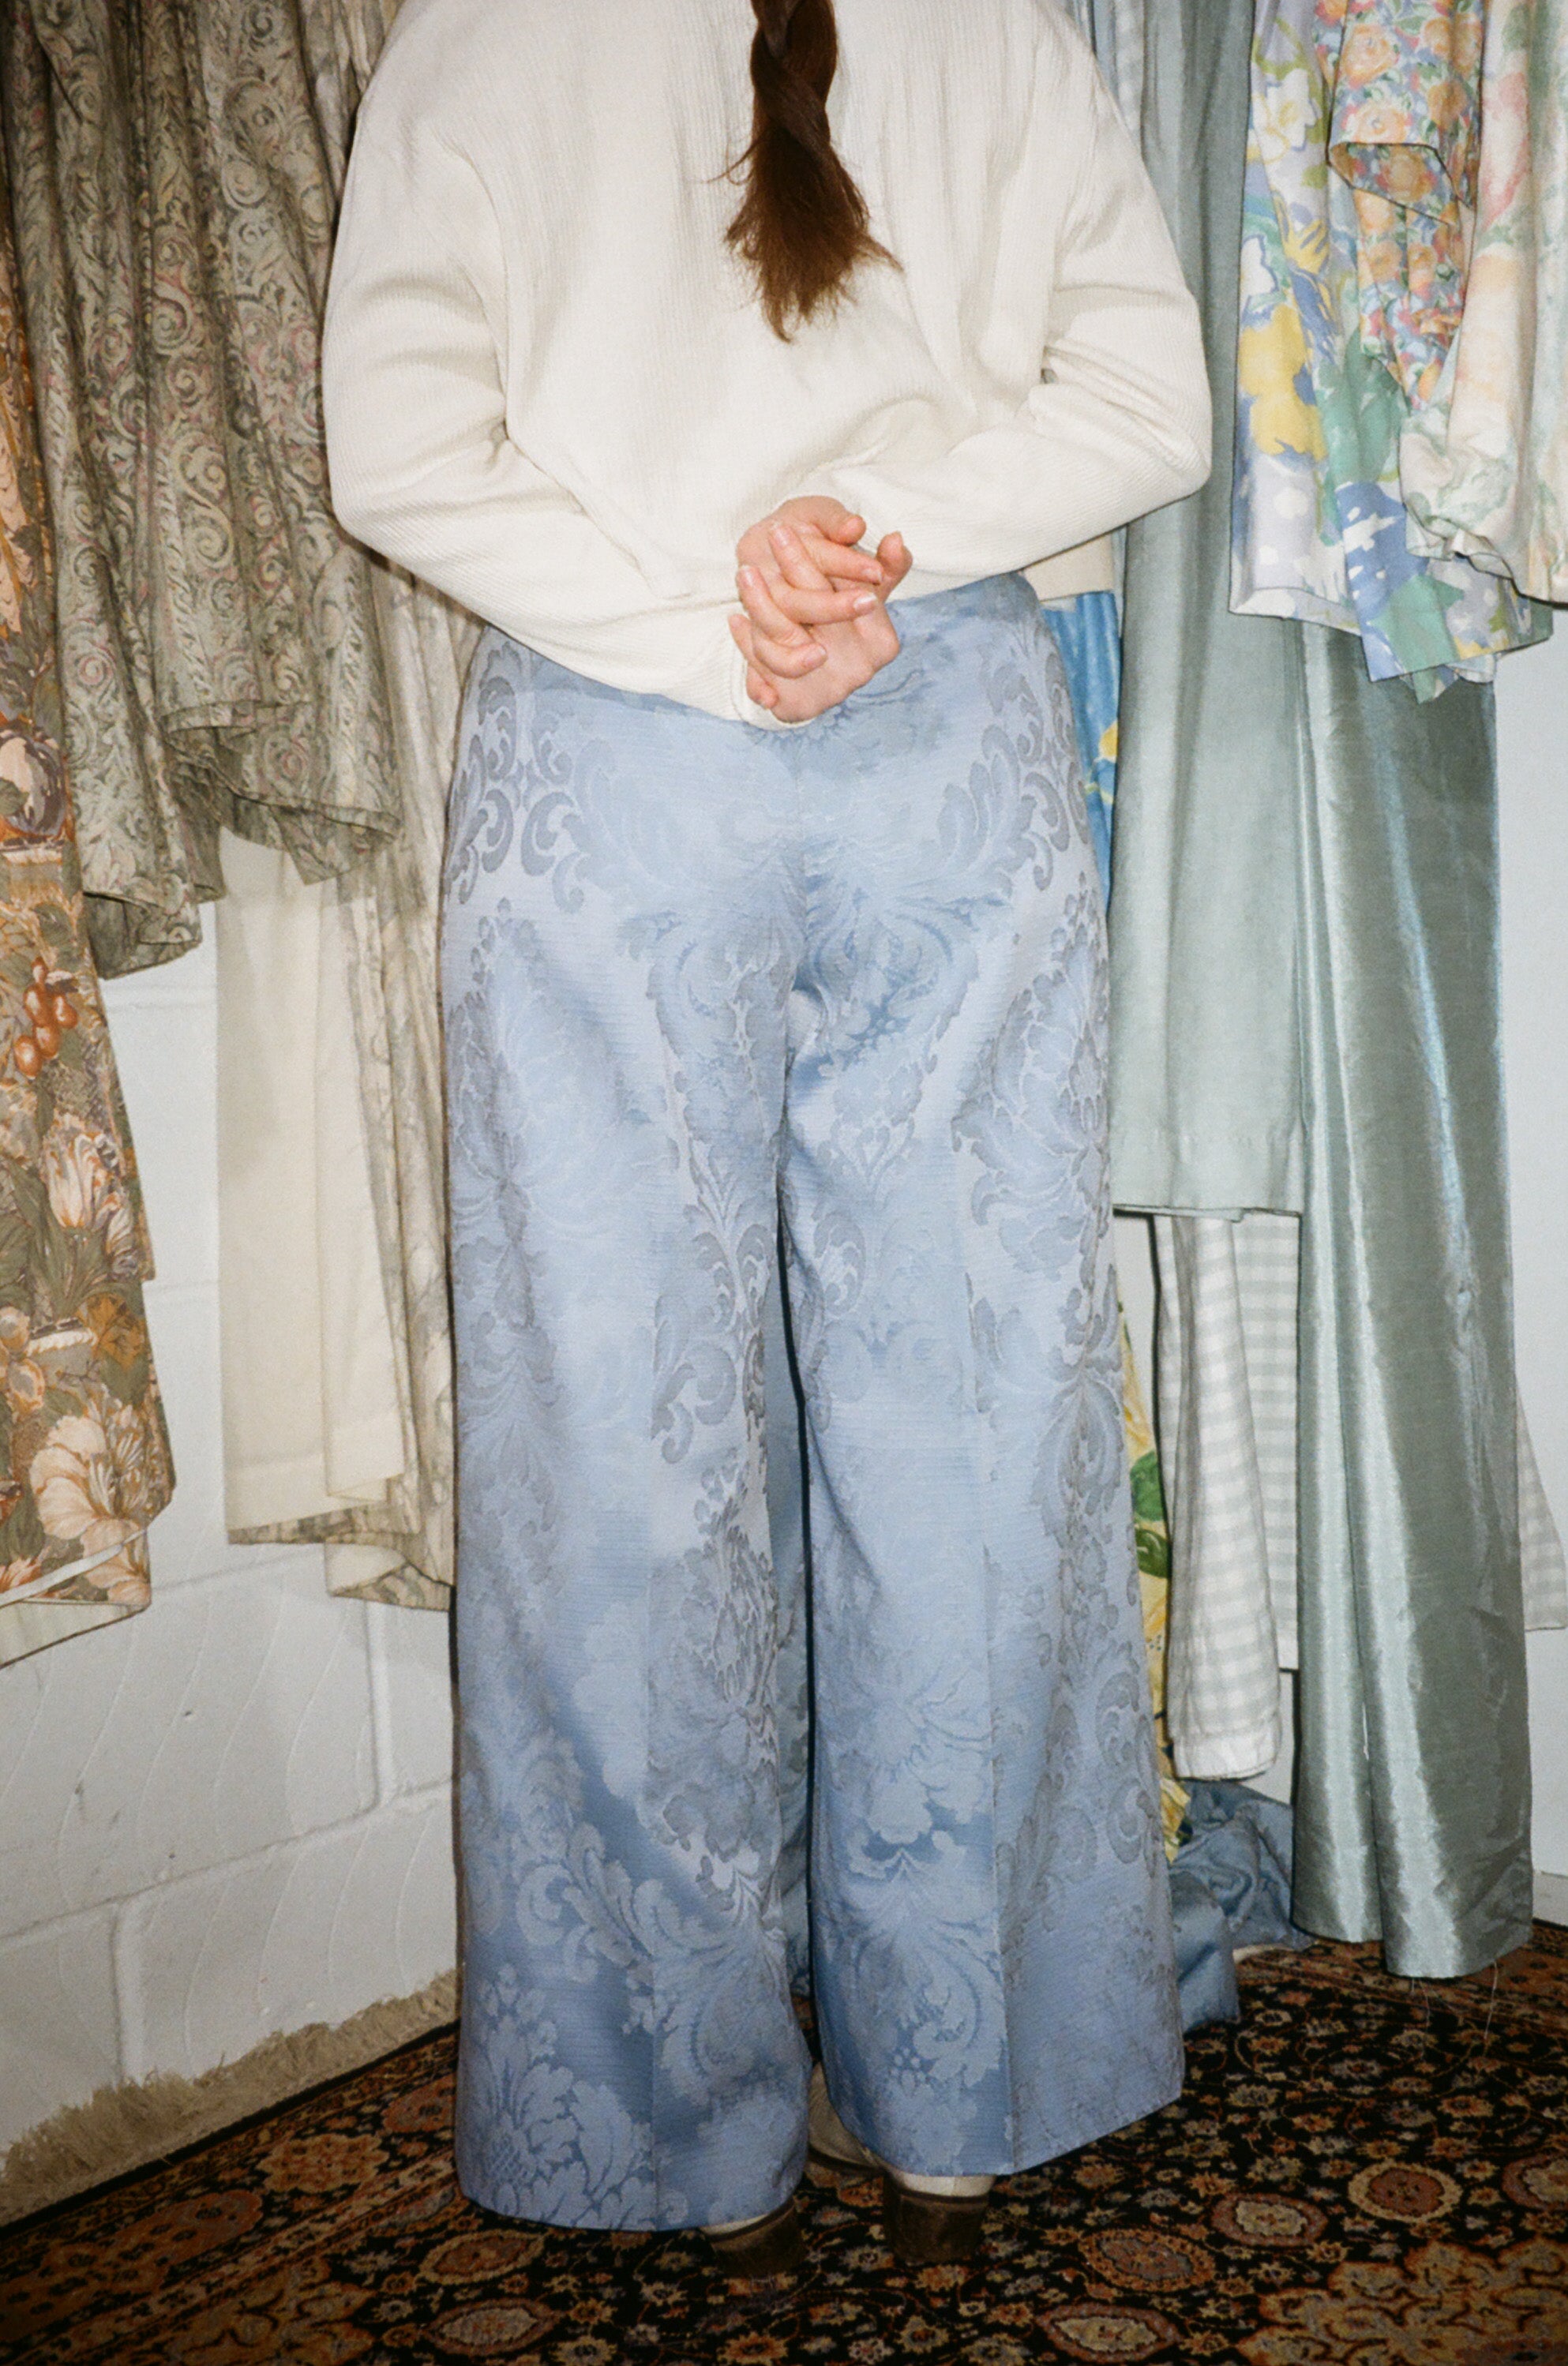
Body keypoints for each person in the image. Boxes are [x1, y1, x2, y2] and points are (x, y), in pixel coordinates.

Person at [323, 0, 1210, 2274]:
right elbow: (1146, 402)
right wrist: (859, 544)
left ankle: (665, 2140)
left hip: (616, 758)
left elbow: (400, 447)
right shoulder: (998, 22)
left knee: (615, 1448)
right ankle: (964, 2093)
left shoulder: (485, 28)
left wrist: (711, 620)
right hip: (940, 716)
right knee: (973, 1413)